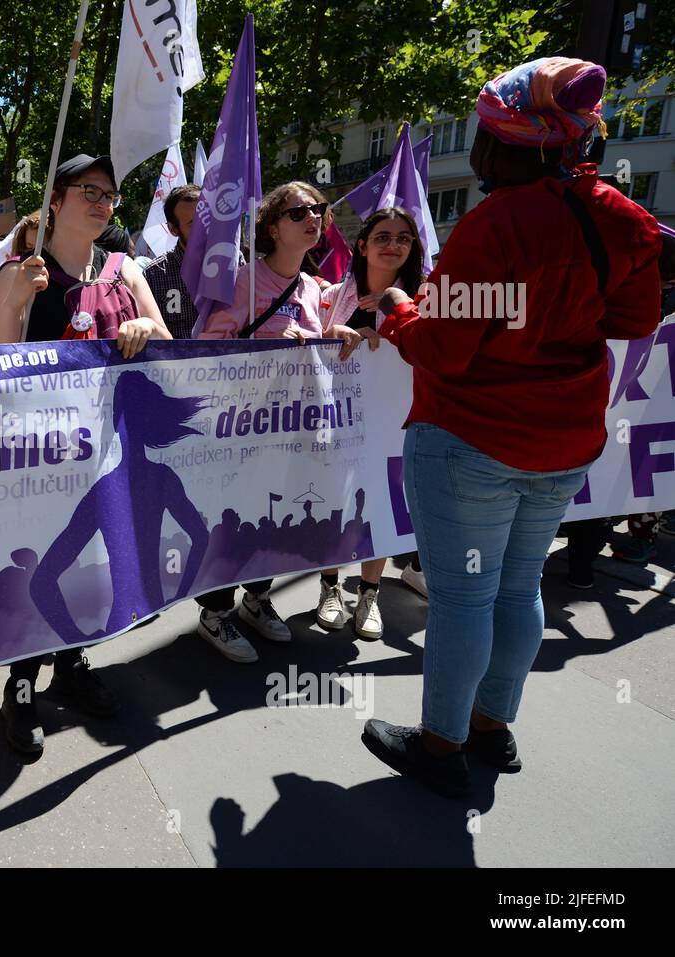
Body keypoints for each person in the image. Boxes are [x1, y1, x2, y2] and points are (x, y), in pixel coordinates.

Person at [360, 57, 663, 798]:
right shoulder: (620, 215)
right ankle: (493, 727)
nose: (477, 151)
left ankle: (440, 745)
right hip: (564, 442)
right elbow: (636, 318)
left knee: (465, 597)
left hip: (474, 442)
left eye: (484, 136)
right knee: (519, 584)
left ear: (505, 144)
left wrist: (399, 307)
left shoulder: (495, 224)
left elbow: (442, 347)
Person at [0, 153, 172, 755]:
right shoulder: (19, 270)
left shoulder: (125, 272)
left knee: (91, 560)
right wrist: (13, 301)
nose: (101, 202)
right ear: (56, 201)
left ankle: (71, 661)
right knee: (40, 563)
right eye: (88, 190)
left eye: (109, 195)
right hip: (39, 456)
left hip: (109, 452)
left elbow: (169, 344)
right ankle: (20, 684)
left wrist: (145, 333)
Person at [192, 181, 364, 663]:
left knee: (277, 514)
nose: (314, 217)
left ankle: (256, 597)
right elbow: (204, 351)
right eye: (299, 212)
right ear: (271, 227)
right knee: (234, 518)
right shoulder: (244, 283)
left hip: (294, 432)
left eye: (320, 209)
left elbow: (317, 345)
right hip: (242, 429)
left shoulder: (313, 289)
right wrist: (263, 345)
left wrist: (333, 334)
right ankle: (215, 612)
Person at [317, 207, 426, 638]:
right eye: (383, 236)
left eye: (403, 237)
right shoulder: (331, 295)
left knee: (379, 505)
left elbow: (429, 354)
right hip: (334, 422)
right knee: (336, 504)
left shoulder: (423, 300)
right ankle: (328, 588)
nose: (393, 244)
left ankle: (368, 592)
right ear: (362, 245)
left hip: (393, 426)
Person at [142, 184, 201, 339]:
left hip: (231, 363)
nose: (204, 228)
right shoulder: (154, 275)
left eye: (208, 218)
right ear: (173, 229)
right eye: (194, 223)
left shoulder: (233, 265)